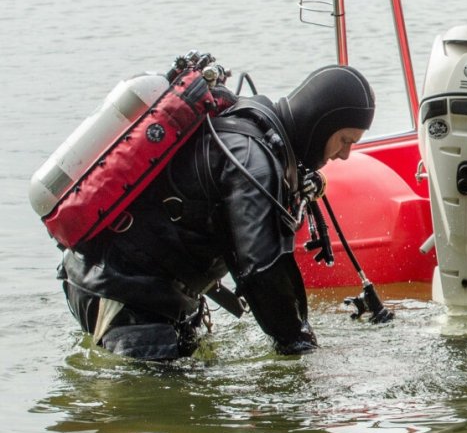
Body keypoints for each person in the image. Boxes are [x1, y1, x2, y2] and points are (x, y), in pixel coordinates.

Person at [59, 65, 377, 361]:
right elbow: (262, 270)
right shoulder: (252, 161)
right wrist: (300, 345)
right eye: (344, 140)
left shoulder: (259, 133)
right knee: (154, 408)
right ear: (319, 123)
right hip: (123, 291)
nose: (346, 154)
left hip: (149, 290)